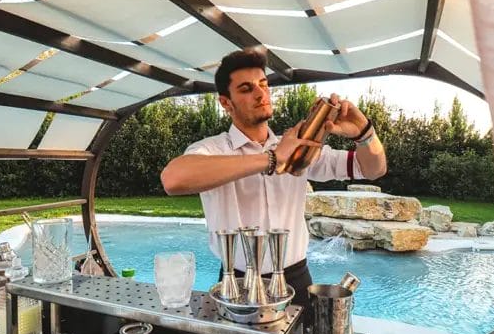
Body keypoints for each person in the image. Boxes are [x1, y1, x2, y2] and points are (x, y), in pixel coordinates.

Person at [161, 49, 387, 308]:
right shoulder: (213, 150)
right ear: (226, 102)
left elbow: (372, 169)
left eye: (263, 85)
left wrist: (364, 132)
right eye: (246, 89)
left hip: (295, 279)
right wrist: (272, 158)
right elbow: (173, 179)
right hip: (236, 282)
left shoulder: (297, 148)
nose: (260, 94)